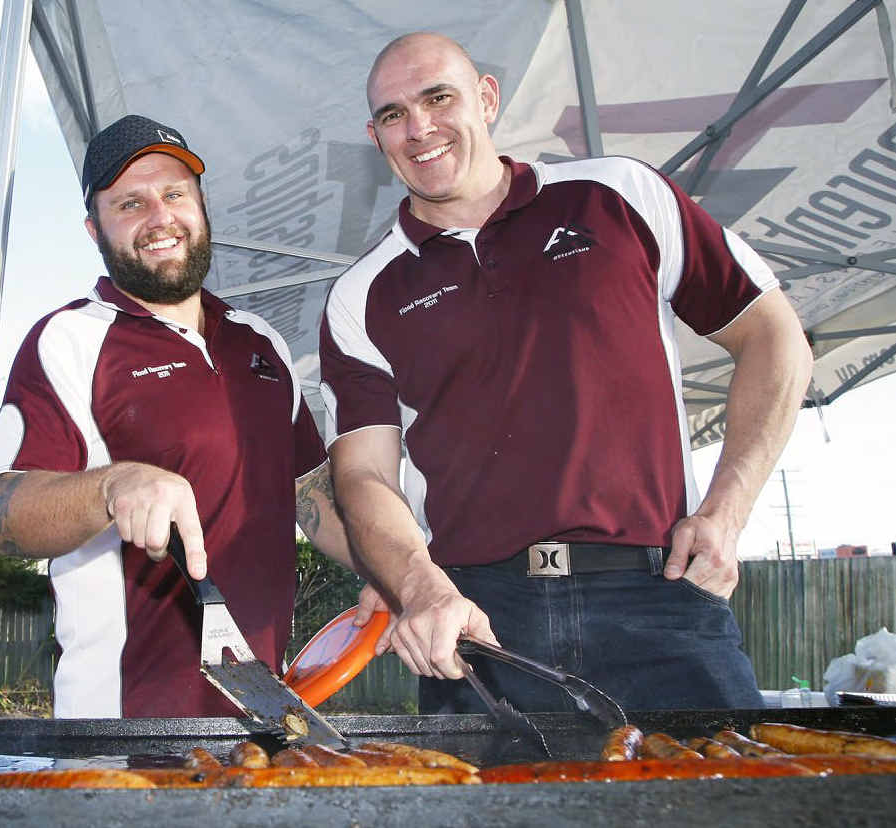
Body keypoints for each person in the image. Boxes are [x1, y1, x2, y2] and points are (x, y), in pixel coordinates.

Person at [320, 33, 813, 713]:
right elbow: (363, 476)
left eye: (438, 98)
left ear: (486, 99)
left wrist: (725, 512)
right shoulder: (360, 294)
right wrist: (418, 583)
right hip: (478, 619)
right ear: (374, 137)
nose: (418, 128)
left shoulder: (616, 195)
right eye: (393, 115)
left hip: (658, 594)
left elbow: (771, 334)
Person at [0, 114, 355, 718]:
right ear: (93, 228)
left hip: (266, 720)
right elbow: (0, 519)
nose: (160, 218)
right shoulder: (68, 339)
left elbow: (312, 496)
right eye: (130, 202)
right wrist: (112, 485)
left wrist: (400, 572)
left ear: (202, 208)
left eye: (175, 194)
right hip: (120, 735)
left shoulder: (260, 341)